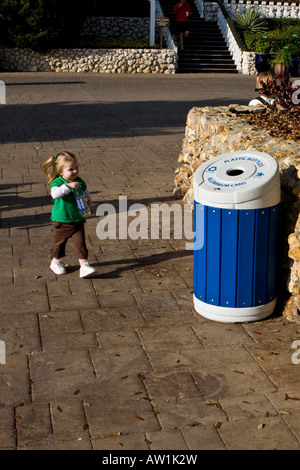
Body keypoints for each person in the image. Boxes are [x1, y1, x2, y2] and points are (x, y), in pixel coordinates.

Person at [42, 151, 96, 278]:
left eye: (76, 167)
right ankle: (56, 261)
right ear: (61, 172)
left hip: (77, 218)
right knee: (59, 244)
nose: (75, 171)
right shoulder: (57, 183)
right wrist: (67, 186)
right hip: (62, 219)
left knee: (80, 243)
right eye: (70, 169)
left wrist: (88, 198)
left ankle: (84, 265)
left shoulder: (80, 182)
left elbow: (86, 192)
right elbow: (55, 194)